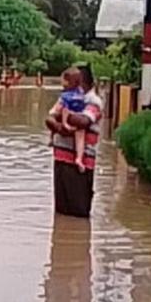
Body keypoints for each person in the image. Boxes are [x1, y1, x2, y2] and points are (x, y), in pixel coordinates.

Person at [45, 64, 104, 218]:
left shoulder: (94, 102)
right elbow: (49, 118)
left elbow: (84, 121)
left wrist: (63, 114)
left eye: (77, 82)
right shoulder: (67, 97)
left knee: (79, 211)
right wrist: (58, 125)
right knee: (61, 212)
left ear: (86, 83)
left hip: (81, 164)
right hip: (61, 159)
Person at [51, 68, 88, 172]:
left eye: (62, 80)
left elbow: (58, 110)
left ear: (67, 81)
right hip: (79, 116)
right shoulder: (81, 93)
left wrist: (62, 120)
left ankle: (51, 139)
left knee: (53, 121)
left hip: (68, 116)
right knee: (80, 137)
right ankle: (79, 158)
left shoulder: (64, 96)